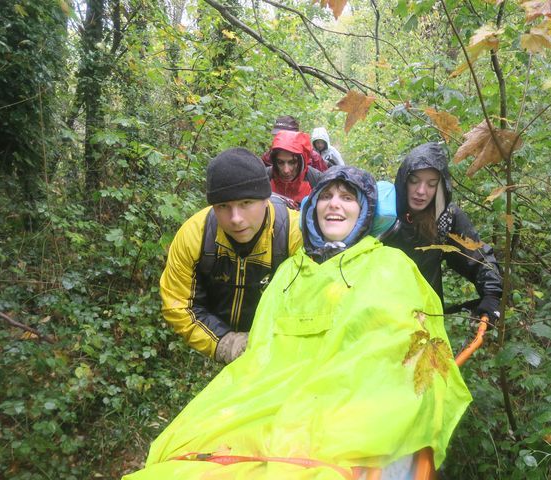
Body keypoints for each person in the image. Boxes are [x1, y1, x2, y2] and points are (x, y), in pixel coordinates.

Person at [125, 166, 471, 479]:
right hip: (275, 389)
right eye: (327, 197)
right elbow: (263, 344)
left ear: (365, 211)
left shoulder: (390, 266)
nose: (334, 204)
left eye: (347, 197)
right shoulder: (292, 270)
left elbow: (399, 346)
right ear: (312, 208)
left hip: (351, 393)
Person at [159, 147, 302, 364]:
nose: (235, 218)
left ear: (266, 199)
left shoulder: (295, 235)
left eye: (246, 203)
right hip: (216, 338)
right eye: (223, 206)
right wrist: (225, 343)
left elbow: (314, 304)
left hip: (280, 351)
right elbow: (178, 304)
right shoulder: (194, 235)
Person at [383, 142, 503, 323]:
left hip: (425, 316)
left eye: (431, 184)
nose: (421, 191)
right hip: (379, 313)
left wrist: (491, 295)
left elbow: (477, 257)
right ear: (404, 181)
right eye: (414, 181)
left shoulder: (446, 218)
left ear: (440, 187)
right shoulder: (384, 213)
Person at [268, 129, 321, 209]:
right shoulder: (265, 177)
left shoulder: (316, 179)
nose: (286, 170)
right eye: (280, 162)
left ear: (302, 161)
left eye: (292, 162)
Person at [262, 115, 328, 172]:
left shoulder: (313, 158)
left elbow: (324, 181)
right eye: (277, 135)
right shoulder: (267, 157)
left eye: (284, 135)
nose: (280, 139)